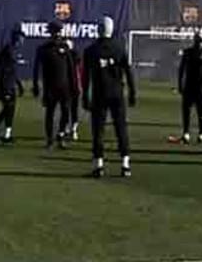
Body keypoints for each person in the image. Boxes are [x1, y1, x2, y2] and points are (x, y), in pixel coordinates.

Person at [82, 16, 137, 178]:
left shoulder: (91, 51)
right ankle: (125, 164)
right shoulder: (120, 48)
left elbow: (86, 77)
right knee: (121, 128)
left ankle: (99, 164)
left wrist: (85, 95)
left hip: (100, 94)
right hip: (117, 94)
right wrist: (132, 92)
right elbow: (128, 72)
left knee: (98, 130)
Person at [32, 21, 78, 150]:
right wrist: (36, 85)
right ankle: (49, 139)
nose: (56, 34)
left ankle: (60, 135)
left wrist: (74, 85)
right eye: (54, 32)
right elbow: (36, 68)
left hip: (65, 86)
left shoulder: (65, 47)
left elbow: (71, 68)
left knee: (66, 112)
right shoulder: (44, 49)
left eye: (58, 32)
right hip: (50, 87)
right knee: (50, 113)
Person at [177, 32, 202, 144]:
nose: (199, 42)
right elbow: (181, 69)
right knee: (186, 110)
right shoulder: (188, 52)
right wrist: (180, 84)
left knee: (201, 111)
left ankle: (201, 133)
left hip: (200, 87)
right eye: (197, 40)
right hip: (189, 85)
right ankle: (186, 133)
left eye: (200, 40)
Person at [0, 26, 25, 143]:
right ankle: (0, 132)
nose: (22, 40)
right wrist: (1, 83)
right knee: (8, 108)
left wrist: (19, 84)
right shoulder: (8, 50)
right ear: (16, 38)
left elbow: (13, 70)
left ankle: (4, 133)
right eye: (21, 37)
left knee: (10, 108)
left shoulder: (14, 50)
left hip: (10, 84)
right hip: (5, 85)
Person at [65, 38, 83, 141]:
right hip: (67, 86)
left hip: (74, 86)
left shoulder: (75, 56)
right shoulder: (64, 57)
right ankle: (68, 128)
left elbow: (79, 72)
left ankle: (73, 129)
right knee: (67, 108)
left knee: (73, 109)